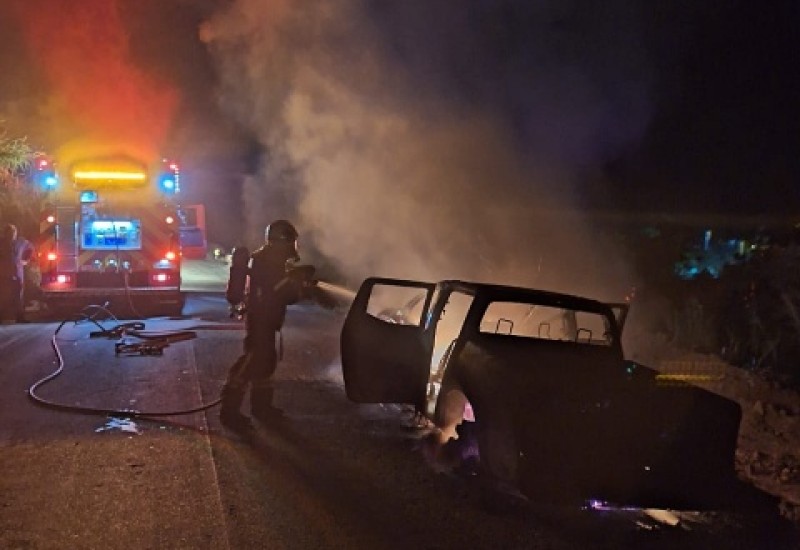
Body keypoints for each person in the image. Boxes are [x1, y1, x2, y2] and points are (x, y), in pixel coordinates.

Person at [219, 219, 313, 431]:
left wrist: (299, 283)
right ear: (282, 240)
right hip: (261, 320)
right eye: (291, 241)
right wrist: (295, 282)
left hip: (269, 320)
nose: (293, 247)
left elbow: (283, 293)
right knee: (250, 362)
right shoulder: (265, 261)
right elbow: (277, 292)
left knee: (266, 362)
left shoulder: (272, 260)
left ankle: (262, 408)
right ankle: (229, 411)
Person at [0, 223, 34, 323]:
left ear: (15, 233)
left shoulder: (21, 242)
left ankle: (20, 317)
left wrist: (26, 260)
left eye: (13, 232)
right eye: (9, 232)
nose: (11, 234)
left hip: (17, 273)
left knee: (18, 295)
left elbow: (30, 248)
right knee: (3, 295)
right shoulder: (1, 243)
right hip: (3, 274)